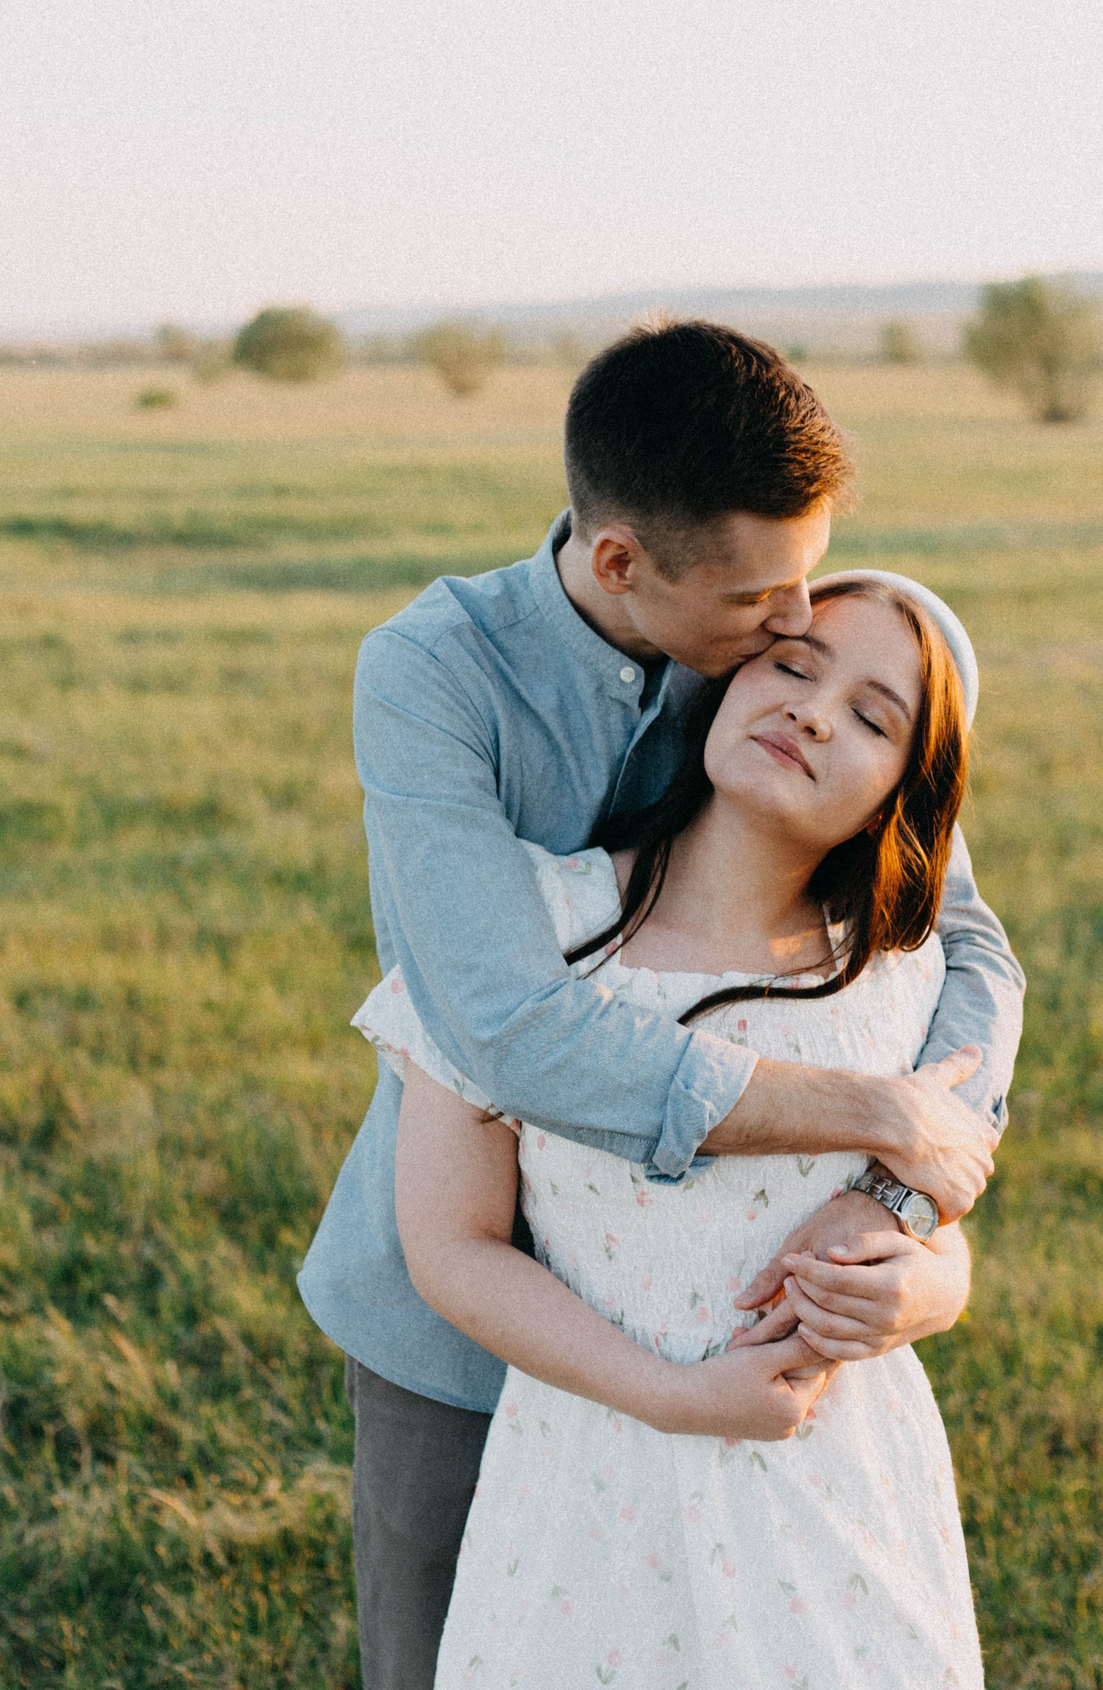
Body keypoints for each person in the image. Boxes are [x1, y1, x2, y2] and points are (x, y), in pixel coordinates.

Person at [295, 321, 1024, 1690]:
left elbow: (966, 947)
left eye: (806, 585)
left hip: (770, 1369)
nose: (799, 627)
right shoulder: (434, 672)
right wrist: (873, 1108)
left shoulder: (763, 638)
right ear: (624, 565)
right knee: (466, 1638)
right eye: (768, 613)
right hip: (459, 1298)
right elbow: (505, 1029)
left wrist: (902, 1203)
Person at [367, 576, 986, 1685]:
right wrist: (667, 1395)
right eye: (793, 666)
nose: (811, 710)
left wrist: (932, 1289)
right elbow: (450, 1241)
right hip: (592, 1465)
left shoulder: (899, 975)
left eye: (871, 716)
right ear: (723, 679)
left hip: (833, 1481)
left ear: (904, 792)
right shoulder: (538, 931)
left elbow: (937, 1201)